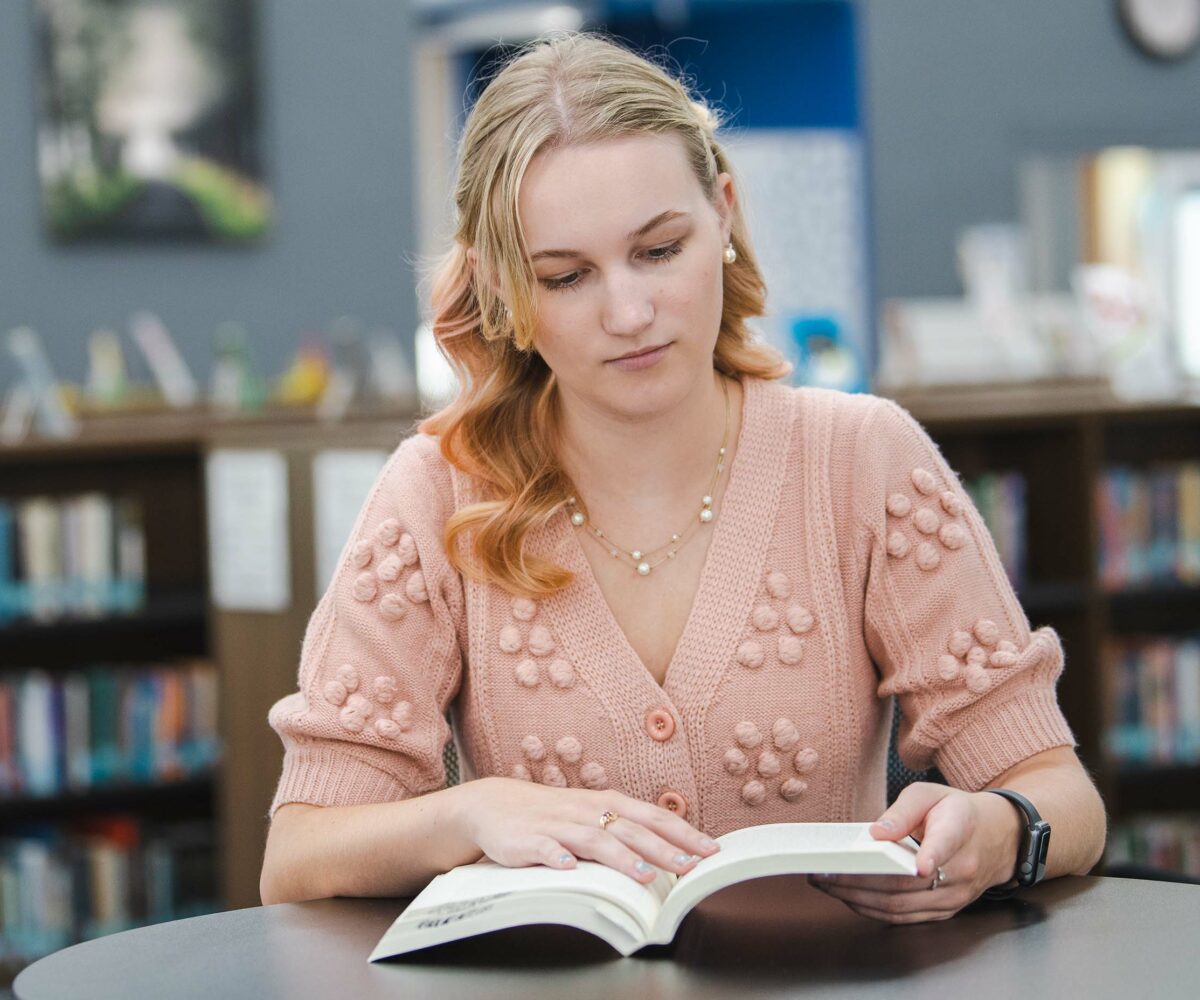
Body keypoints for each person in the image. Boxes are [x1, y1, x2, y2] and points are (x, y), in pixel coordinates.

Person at [259, 31, 1105, 924]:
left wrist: (1000, 830)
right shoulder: (439, 494)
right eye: (566, 275)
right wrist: (470, 811)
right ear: (502, 290)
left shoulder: (862, 460)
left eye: (660, 251)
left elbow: (1064, 797)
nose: (630, 312)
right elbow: (299, 855)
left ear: (725, 216)